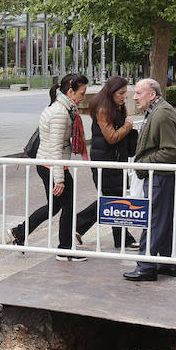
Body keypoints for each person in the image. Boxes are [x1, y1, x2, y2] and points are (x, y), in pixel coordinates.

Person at [10, 73, 84, 257]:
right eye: (81, 93)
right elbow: (56, 148)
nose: (83, 97)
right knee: (67, 208)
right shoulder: (60, 113)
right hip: (53, 165)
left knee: (54, 207)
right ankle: (65, 250)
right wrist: (60, 179)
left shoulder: (61, 107)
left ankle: (19, 232)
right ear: (70, 91)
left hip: (48, 164)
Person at [123, 77, 176, 281]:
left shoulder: (162, 114)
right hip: (161, 174)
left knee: (154, 220)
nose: (134, 97)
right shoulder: (158, 111)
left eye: (138, 93)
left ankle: (146, 265)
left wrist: (144, 164)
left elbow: (171, 151)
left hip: (161, 174)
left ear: (152, 94)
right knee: (162, 219)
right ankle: (165, 263)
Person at [75, 75, 138, 250]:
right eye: (121, 93)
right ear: (111, 92)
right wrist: (127, 126)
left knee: (114, 198)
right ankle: (80, 224)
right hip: (106, 162)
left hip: (114, 160)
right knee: (113, 199)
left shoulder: (115, 106)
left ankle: (81, 226)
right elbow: (111, 137)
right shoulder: (103, 109)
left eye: (125, 93)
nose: (124, 96)